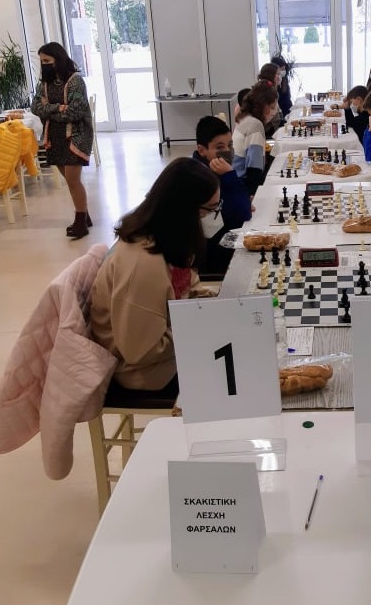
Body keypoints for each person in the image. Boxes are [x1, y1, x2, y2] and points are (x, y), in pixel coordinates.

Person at [90, 158, 222, 395]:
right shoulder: (142, 264)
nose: (214, 217)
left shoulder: (170, 238)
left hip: (164, 346)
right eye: (210, 210)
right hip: (146, 372)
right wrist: (199, 324)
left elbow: (187, 290)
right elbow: (141, 351)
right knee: (241, 370)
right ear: (185, 211)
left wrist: (216, 304)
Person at [31, 42, 94, 239]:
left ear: (59, 59)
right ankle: (85, 216)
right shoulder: (44, 84)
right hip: (55, 137)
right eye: (42, 61)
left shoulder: (75, 81)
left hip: (76, 135)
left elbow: (75, 111)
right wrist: (59, 108)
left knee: (73, 180)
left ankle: (80, 222)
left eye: (47, 60)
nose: (44, 65)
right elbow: (35, 107)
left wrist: (50, 108)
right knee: (69, 180)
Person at [192, 115, 250, 276]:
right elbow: (243, 213)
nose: (227, 151)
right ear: (202, 150)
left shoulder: (214, 169)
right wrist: (230, 176)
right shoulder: (201, 178)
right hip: (213, 262)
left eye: (230, 145)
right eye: (219, 147)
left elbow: (241, 205)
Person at [232, 81, 279, 197]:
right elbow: (254, 167)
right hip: (244, 184)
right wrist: (254, 195)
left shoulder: (244, 117)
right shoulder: (255, 125)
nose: (273, 112)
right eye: (272, 107)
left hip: (236, 177)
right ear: (263, 105)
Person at [271, 54, 293, 119]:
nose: (283, 72)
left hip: (287, 111)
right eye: (282, 69)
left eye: (284, 69)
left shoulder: (284, 79)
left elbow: (287, 98)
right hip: (280, 115)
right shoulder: (271, 86)